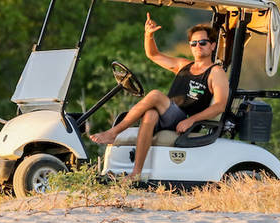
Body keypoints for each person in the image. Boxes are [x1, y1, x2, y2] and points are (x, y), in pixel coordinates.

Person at [90, 13, 229, 178]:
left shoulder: (216, 72)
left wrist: (191, 120)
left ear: (212, 46)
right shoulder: (183, 65)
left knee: (155, 94)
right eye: (194, 43)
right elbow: (153, 55)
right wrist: (148, 35)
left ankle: (114, 132)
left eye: (203, 43)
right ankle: (136, 173)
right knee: (149, 114)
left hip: (186, 120)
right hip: (170, 114)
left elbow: (220, 105)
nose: (198, 46)